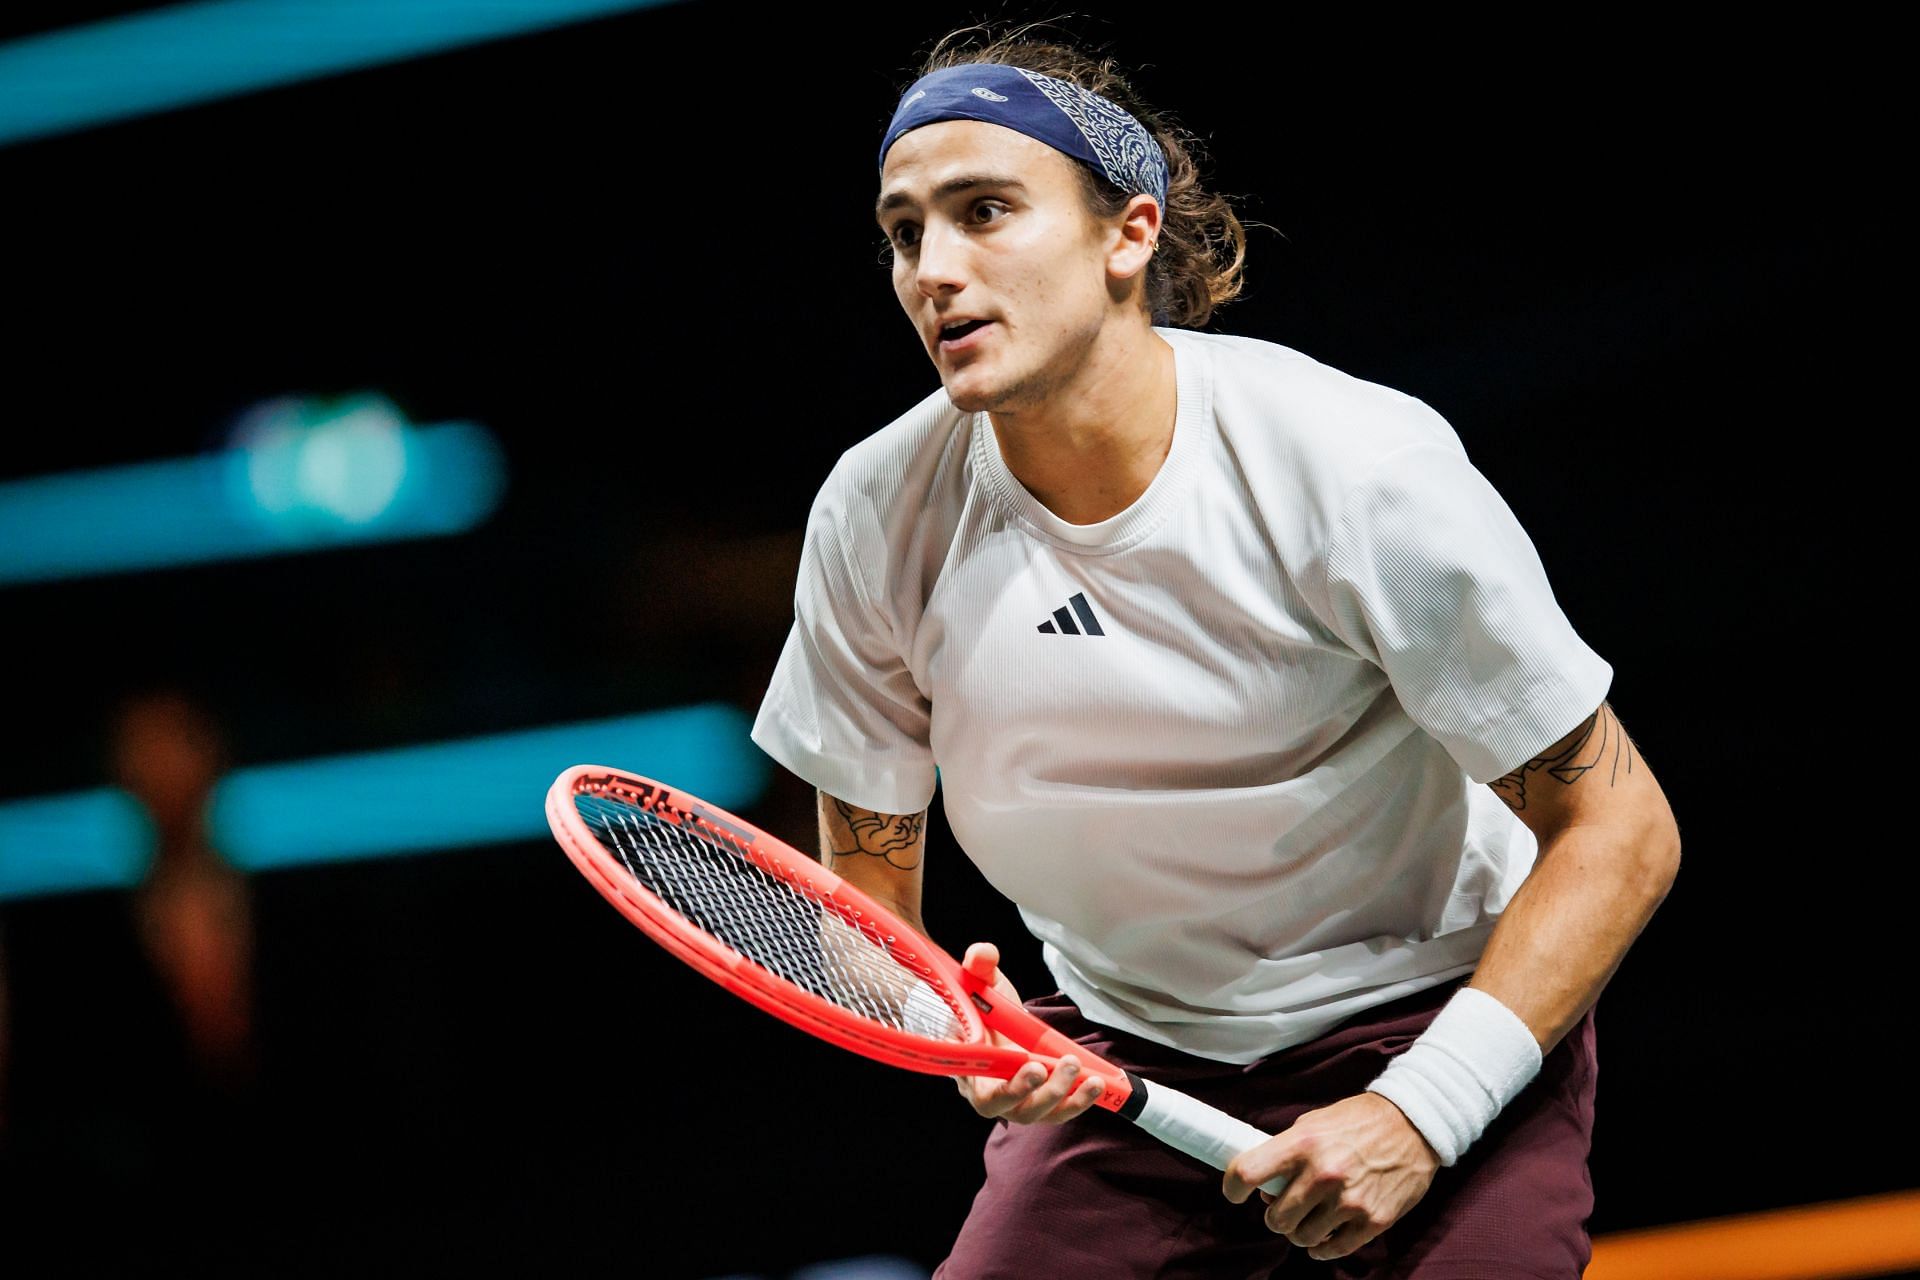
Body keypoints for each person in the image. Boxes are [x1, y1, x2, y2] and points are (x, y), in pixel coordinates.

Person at [749, 23, 1681, 1279]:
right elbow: (862, 887)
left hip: (1428, 1020)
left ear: (1128, 235)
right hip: (1123, 1058)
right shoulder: (875, 512)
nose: (935, 269)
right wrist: (948, 1021)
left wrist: (1425, 1109)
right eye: (906, 231)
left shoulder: (1356, 467)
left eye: (985, 211)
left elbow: (1621, 831)